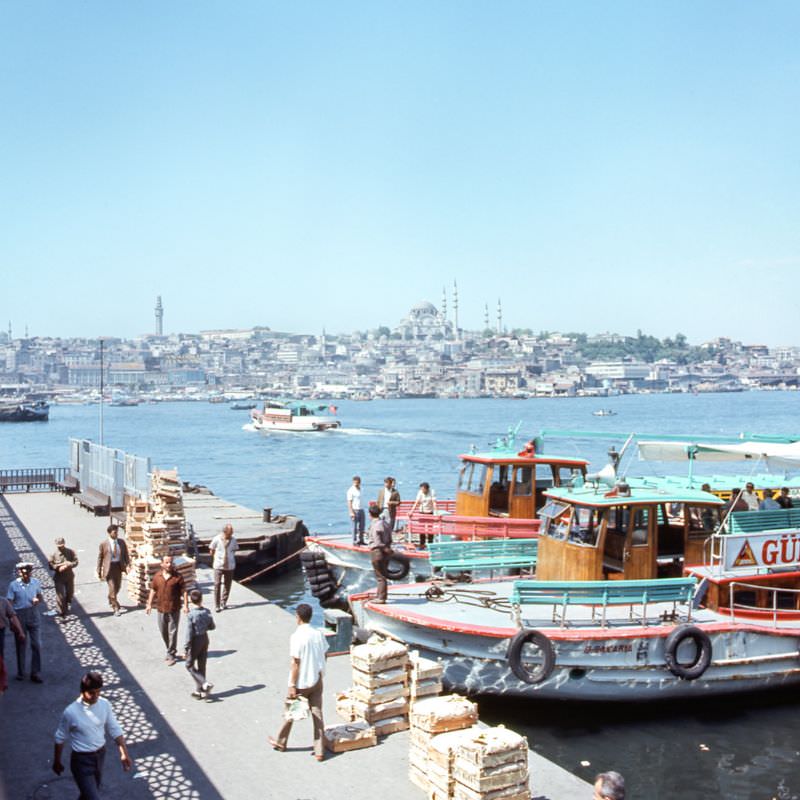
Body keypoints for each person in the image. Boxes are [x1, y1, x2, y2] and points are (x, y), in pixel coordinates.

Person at [53, 671, 133, 798]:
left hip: (100, 756)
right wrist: (57, 761)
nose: (96, 696)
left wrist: (124, 753)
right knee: (93, 797)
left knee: (88, 795)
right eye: (91, 693)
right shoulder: (71, 712)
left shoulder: (104, 704)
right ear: (83, 692)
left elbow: (115, 729)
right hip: (81, 761)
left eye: (98, 691)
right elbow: (60, 737)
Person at [268, 603, 329, 761]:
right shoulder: (318, 634)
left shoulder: (296, 637)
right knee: (317, 714)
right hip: (316, 679)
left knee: (291, 712)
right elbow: (325, 652)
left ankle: (281, 742)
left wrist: (292, 685)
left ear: (298, 617)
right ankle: (319, 750)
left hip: (301, 682)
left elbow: (296, 663)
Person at [145, 555, 188, 666]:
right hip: (160, 609)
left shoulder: (178, 577)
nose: (169, 564)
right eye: (167, 562)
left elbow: (184, 591)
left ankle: (171, 653)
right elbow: (153, 590)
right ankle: (170, 648)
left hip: (174, 608)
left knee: (172, 632)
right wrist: (149, 604)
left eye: (171, 562)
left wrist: (186, 605)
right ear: (162, 564)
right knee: (163, 631)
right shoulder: (157, 576)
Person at [6, 562, 44, 682]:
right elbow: (10, 602)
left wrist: (37, 600)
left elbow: (40, 595)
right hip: (19, 615)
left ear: (30, 572)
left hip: (33, 613)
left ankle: (35, 672)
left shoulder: (36, 582)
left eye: (27, 572)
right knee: (21, 643)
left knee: (37, 644)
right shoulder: (13, 585)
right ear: (19, 572)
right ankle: (21, 672)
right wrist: (12, 619)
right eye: (22, 573)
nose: (25, 575)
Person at [183, 588, 216, 699]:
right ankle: (201, 691)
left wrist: (186, 647)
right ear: (201, 599)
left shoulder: (191, 615)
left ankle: (204, 683)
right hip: (205, 638)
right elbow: (212, 627)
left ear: (191, 601)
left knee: (189, 665)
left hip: (195, 640)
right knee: (202, 665)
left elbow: (189, 632)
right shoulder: (207, 612)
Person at [96, 524, 130, 616]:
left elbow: (126, 554)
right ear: (109, 533)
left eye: (117, 532)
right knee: (112, 587)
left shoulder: (121, 542)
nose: (116, 534)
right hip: (109, 569)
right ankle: (115, 608)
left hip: (118, 567)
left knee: (118, 587)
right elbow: (100, 558)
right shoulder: (104, 544)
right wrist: (99, 571)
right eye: (114, 532)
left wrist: (128, 565)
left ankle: (111, 598)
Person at [209, 523, 238, 612]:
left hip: (230, 565)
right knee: (217, 584)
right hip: (218, 565)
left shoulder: (233, 540)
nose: (231, 535)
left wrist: (230, 557)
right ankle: (217, 604)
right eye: (230, 533)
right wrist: (217, 558)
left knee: (227, 584)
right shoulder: (217, 539)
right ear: (225, 532)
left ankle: (223, 602)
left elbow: (235, 549)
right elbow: (211, 550)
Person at [367, 504, 393, 603]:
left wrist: (382, 547)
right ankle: (379, 595)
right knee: (383, 575)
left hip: (377, 552)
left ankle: (381, 598)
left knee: (380, 576)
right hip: (386, 552)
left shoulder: (375, 525)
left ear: (370, 514)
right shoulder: (385, 524)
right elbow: (390, 538)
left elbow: (377, 541)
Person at [49, 537, 79, 618]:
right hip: (59, 577)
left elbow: (76, 562)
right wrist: (59, 567)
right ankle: (61, 612)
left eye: (62, 545)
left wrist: (70, 565)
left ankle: (67, 603)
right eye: (59, 546)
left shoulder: (70, 552)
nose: (60, 547)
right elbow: (51, 566)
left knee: (70, 593)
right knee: (60, 596)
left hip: (69, 576)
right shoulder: (53, 554)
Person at [0, 597, 25, 694]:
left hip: (0, 632)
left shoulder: (3, 601)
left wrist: (20, 631)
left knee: (0, 656)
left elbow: (13, 616)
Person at [409, 481, 437, 549]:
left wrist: (436, 512)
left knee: (430, 529)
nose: (422, 490)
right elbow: (416, 503)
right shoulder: (420, 492)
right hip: (422, 512)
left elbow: (434, 503)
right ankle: (422, 544)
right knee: (422, 529)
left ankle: (431, 544)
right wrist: (411, 511)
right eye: (421, 489)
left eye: (423, 489)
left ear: (427, 489)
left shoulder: (432, 492)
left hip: (429, 512)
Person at [347, 475, 366, 546]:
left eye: (358, 482)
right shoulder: (350, 490)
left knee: (362, 526)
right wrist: (351, 512)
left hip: (361, 509)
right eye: (355, 482)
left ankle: (361, 540)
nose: (356, 484)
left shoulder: (361, 489)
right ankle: (354, 540)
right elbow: (349, 502)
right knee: (354, 527)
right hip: (354, 510)